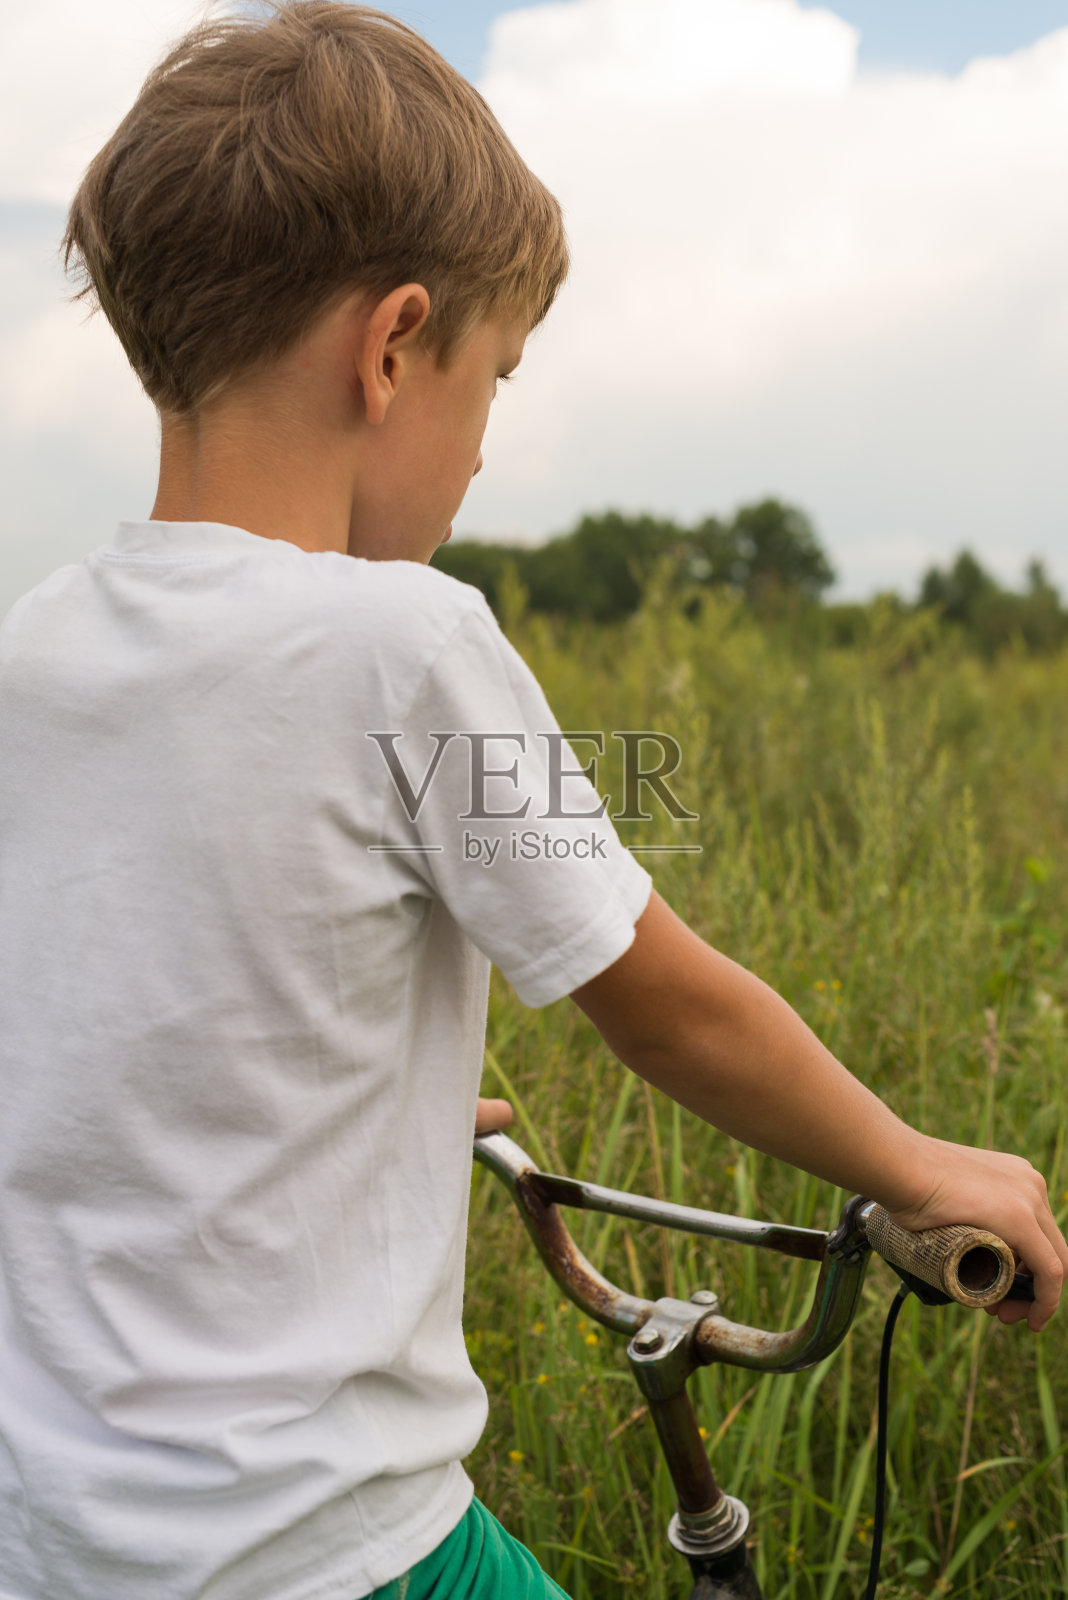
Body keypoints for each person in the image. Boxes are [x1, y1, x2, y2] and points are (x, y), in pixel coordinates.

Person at [0, 5, 1063, 1599]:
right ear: (391, 348)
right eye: (494, 379)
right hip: (322, 1546)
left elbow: (101, 1017)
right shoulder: (406, 645)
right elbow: (663, 1009)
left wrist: (346, 1108)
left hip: (54, 1537)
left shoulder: (38, 642)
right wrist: (917, 1165)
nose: (487, 453)